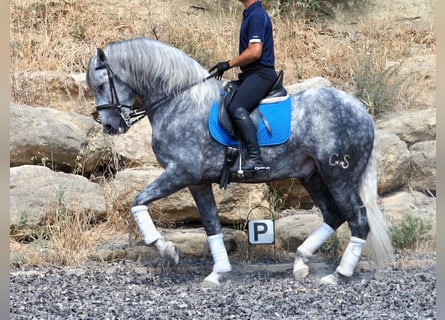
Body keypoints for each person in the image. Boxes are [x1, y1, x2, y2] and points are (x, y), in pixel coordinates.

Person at [209, 0, 277, 172]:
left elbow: (255, 51)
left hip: (261, 74)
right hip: (250, 75)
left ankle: (255, 159)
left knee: (237, 106)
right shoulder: (250, 15)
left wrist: (228, 64)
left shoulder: (256, 15)